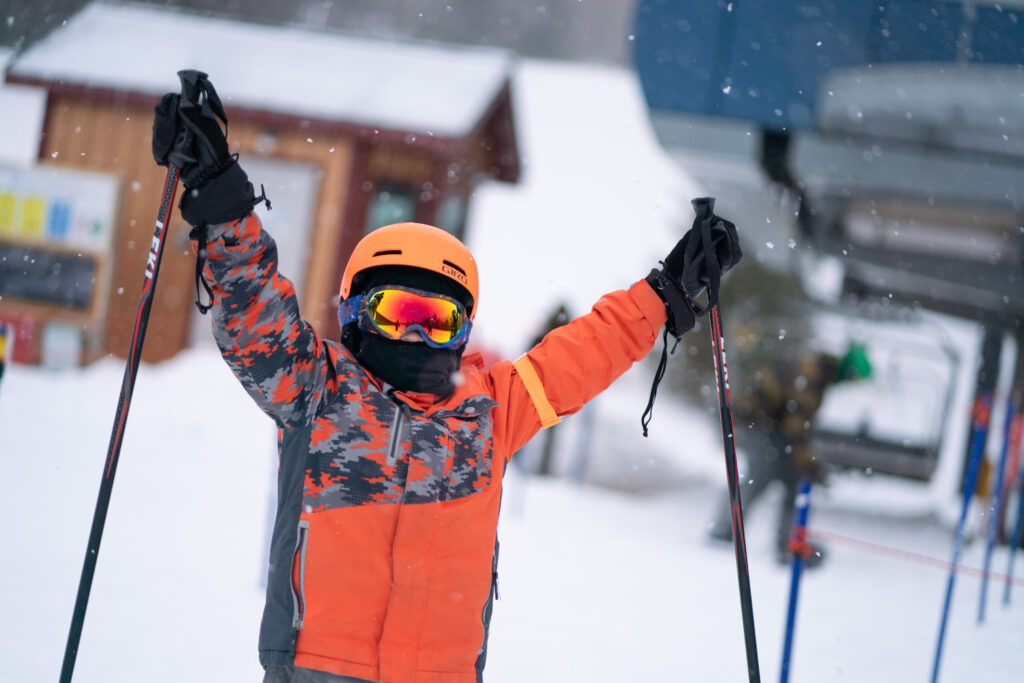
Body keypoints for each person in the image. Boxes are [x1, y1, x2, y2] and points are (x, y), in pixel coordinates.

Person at [152, 73, 741, 683]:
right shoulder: (314, 389)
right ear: (356, 315)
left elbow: (582, 354)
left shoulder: (491, 410)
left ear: (461, 333)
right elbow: (252, 311)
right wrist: (221, 200)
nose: (415, 334)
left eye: (436, 319)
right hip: (319, 669)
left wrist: (664, 295)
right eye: (397, 313)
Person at [707, 343, 873, 567]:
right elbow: (796, 427)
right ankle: (740, 534)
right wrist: (810, 465)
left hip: (768, 425)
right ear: (848, 371)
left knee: (787, 480)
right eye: (853, 379)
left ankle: (780, 542)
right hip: (760, 424)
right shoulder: (813, 376)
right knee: (771, 478)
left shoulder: (819, 370)